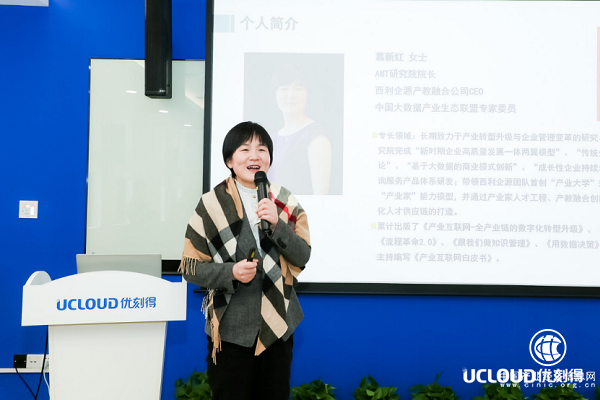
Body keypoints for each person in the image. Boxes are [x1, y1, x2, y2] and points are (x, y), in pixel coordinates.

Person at [178, 121, 311, 400]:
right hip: (230, 329)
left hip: (279, 324)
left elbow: (303, 255)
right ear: (230, 160)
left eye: (262, 149)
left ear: (269, 158)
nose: (255, 156)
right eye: (245, 149)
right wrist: (231, 273)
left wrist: (277, 225)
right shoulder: (211, 204)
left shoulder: (284, 201)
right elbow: (191, 268)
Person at [267, 62, 332, 195]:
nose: (291, 95)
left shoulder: (316, 137)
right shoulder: (270, 139)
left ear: (307, 94)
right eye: (284, 89)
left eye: (298, 88)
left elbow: (320, 196)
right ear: (275, 94)